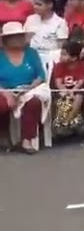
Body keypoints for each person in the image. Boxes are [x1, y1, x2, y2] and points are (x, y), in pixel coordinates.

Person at [0, 21, 48, 153]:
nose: (18, 39)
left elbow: (41, 75)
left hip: (29, 88)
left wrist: (29, 88)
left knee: (34, 101)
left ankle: (27, 140)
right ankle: (3, 135)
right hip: (4, 90)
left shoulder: (31, 53)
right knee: (2, 105)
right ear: (6, 39)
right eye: (14, 37)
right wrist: (6, 93)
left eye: (20, 36)